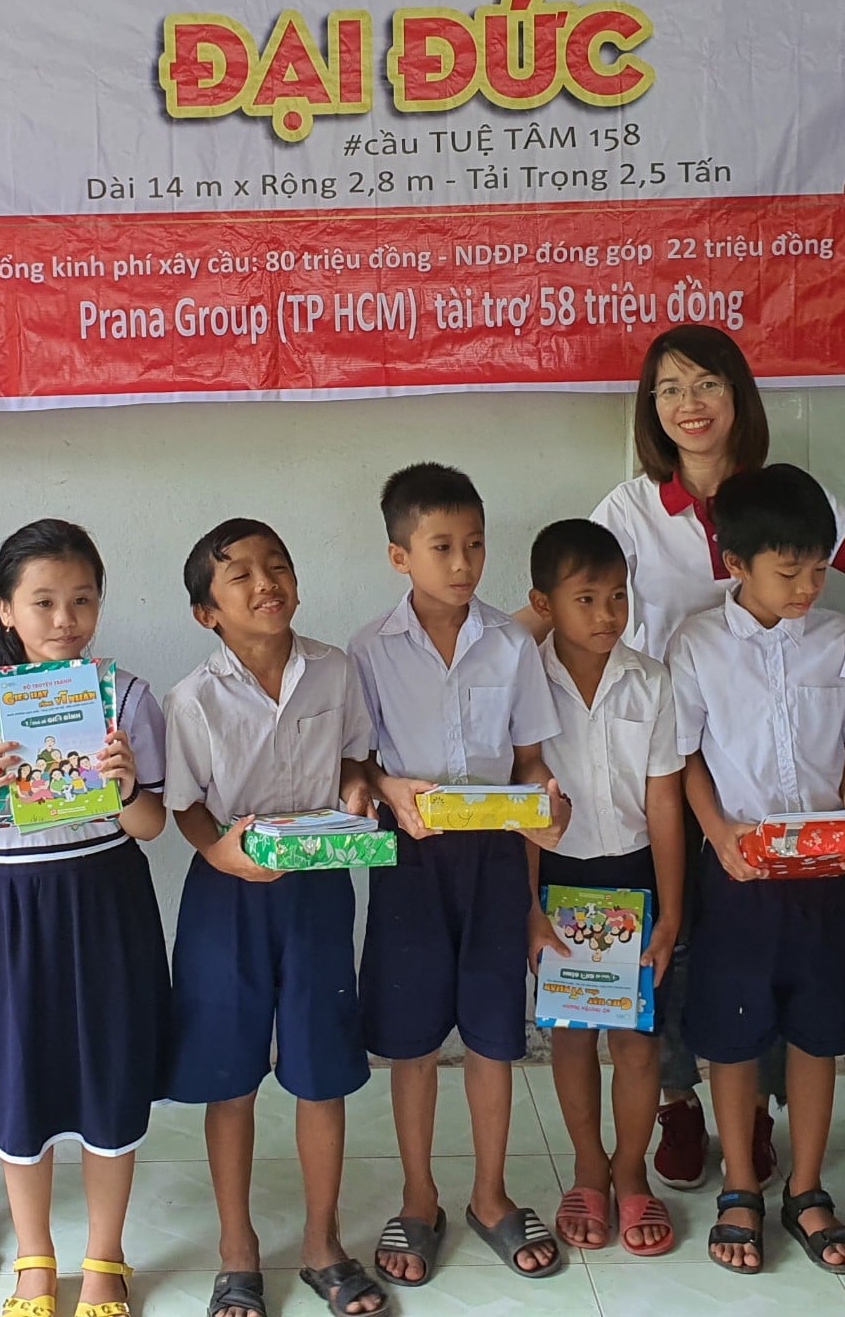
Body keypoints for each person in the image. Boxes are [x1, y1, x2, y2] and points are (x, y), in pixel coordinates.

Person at [588, 326, 845, 1192]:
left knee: (781, 965)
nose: (689, 404)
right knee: (677, 948)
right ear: (651, 408)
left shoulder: (790, 500)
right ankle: (678, 1103)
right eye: (668, 389)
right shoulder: (629, 510)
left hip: (786, 797)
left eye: (707, 384)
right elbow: (569, 596)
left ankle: (759, 1118)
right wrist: (480, 631)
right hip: (668, 767)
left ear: (738, 395)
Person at [0, 521, 171, 1317]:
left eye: (82, 600)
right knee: (18, 1082)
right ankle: (35, 1260)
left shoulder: (126, 697)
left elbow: (151, 826)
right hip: (8, 908)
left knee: (108, 1077)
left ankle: (104, 1259)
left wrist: (126, 787)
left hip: (104, 904)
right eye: (43, 602)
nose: (65, 619)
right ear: (5, 609)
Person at [164, 519, 389, 1317]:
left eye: (278, 566)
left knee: (320, 1068)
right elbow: (185, 806)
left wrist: (357, 790)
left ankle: (324, 1243)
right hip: (227, 893)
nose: (266, 583)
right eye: (241, 576)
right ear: (208, 613)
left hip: (318, 885)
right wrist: (220, 853)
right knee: (228, 1077)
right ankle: (238, 1250)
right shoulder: (192, 699)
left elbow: (357, 759)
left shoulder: (334, 671)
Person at [354, 464, 570, 1285]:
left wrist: (548, 803)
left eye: (474, 545)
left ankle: (489, 1194)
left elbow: (530, 763)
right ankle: (419, 1199)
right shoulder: (369, 650)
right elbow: (358, 763)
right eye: (441, 547)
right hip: (408, 861)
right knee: (412, 1044)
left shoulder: (511, 645)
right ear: (399, 557)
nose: (463, 563)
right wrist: (386, 789)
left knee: (492, 1036)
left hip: (494, 863)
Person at [670, 466, 845, 1278]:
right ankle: (740, 1187)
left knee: (818, 1034)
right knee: (732, 1034)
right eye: (789, 571)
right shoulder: (698, 644)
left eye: (818, 569)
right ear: (736, 563)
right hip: (739, 873)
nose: (808, 587)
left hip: (826, 876)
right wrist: (717, 834)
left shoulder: (840, 638)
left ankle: (807, 1187)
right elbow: (686, 756)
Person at [522, 517, 683, 1261]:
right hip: (559, 879)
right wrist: (529, 907)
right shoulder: (524, 679)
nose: (607, 614)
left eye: (617, 596)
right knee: (572, 1033)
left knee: (638, 1041)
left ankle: (631, 1169)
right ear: (544, 605)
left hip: (635, 877)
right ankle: (589, 1168)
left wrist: (671, 911)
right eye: (585, 599)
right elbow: (524, 801)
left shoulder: (650, 681)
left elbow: (664, 802)